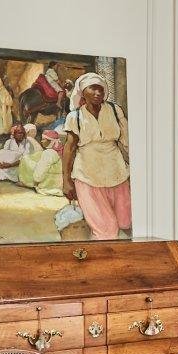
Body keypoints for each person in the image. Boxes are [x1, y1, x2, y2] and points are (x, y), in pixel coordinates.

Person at [61, 72, 131, 239]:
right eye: (92, 88)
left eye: (100, 89)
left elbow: (128, 141)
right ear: (82, 91)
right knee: (106, 230)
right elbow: (69, 149)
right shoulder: (75, 117)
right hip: (87, 177)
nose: (98, 93)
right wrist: (66, 180)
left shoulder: (114, 110)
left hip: (117, 174)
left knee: (126, 222)